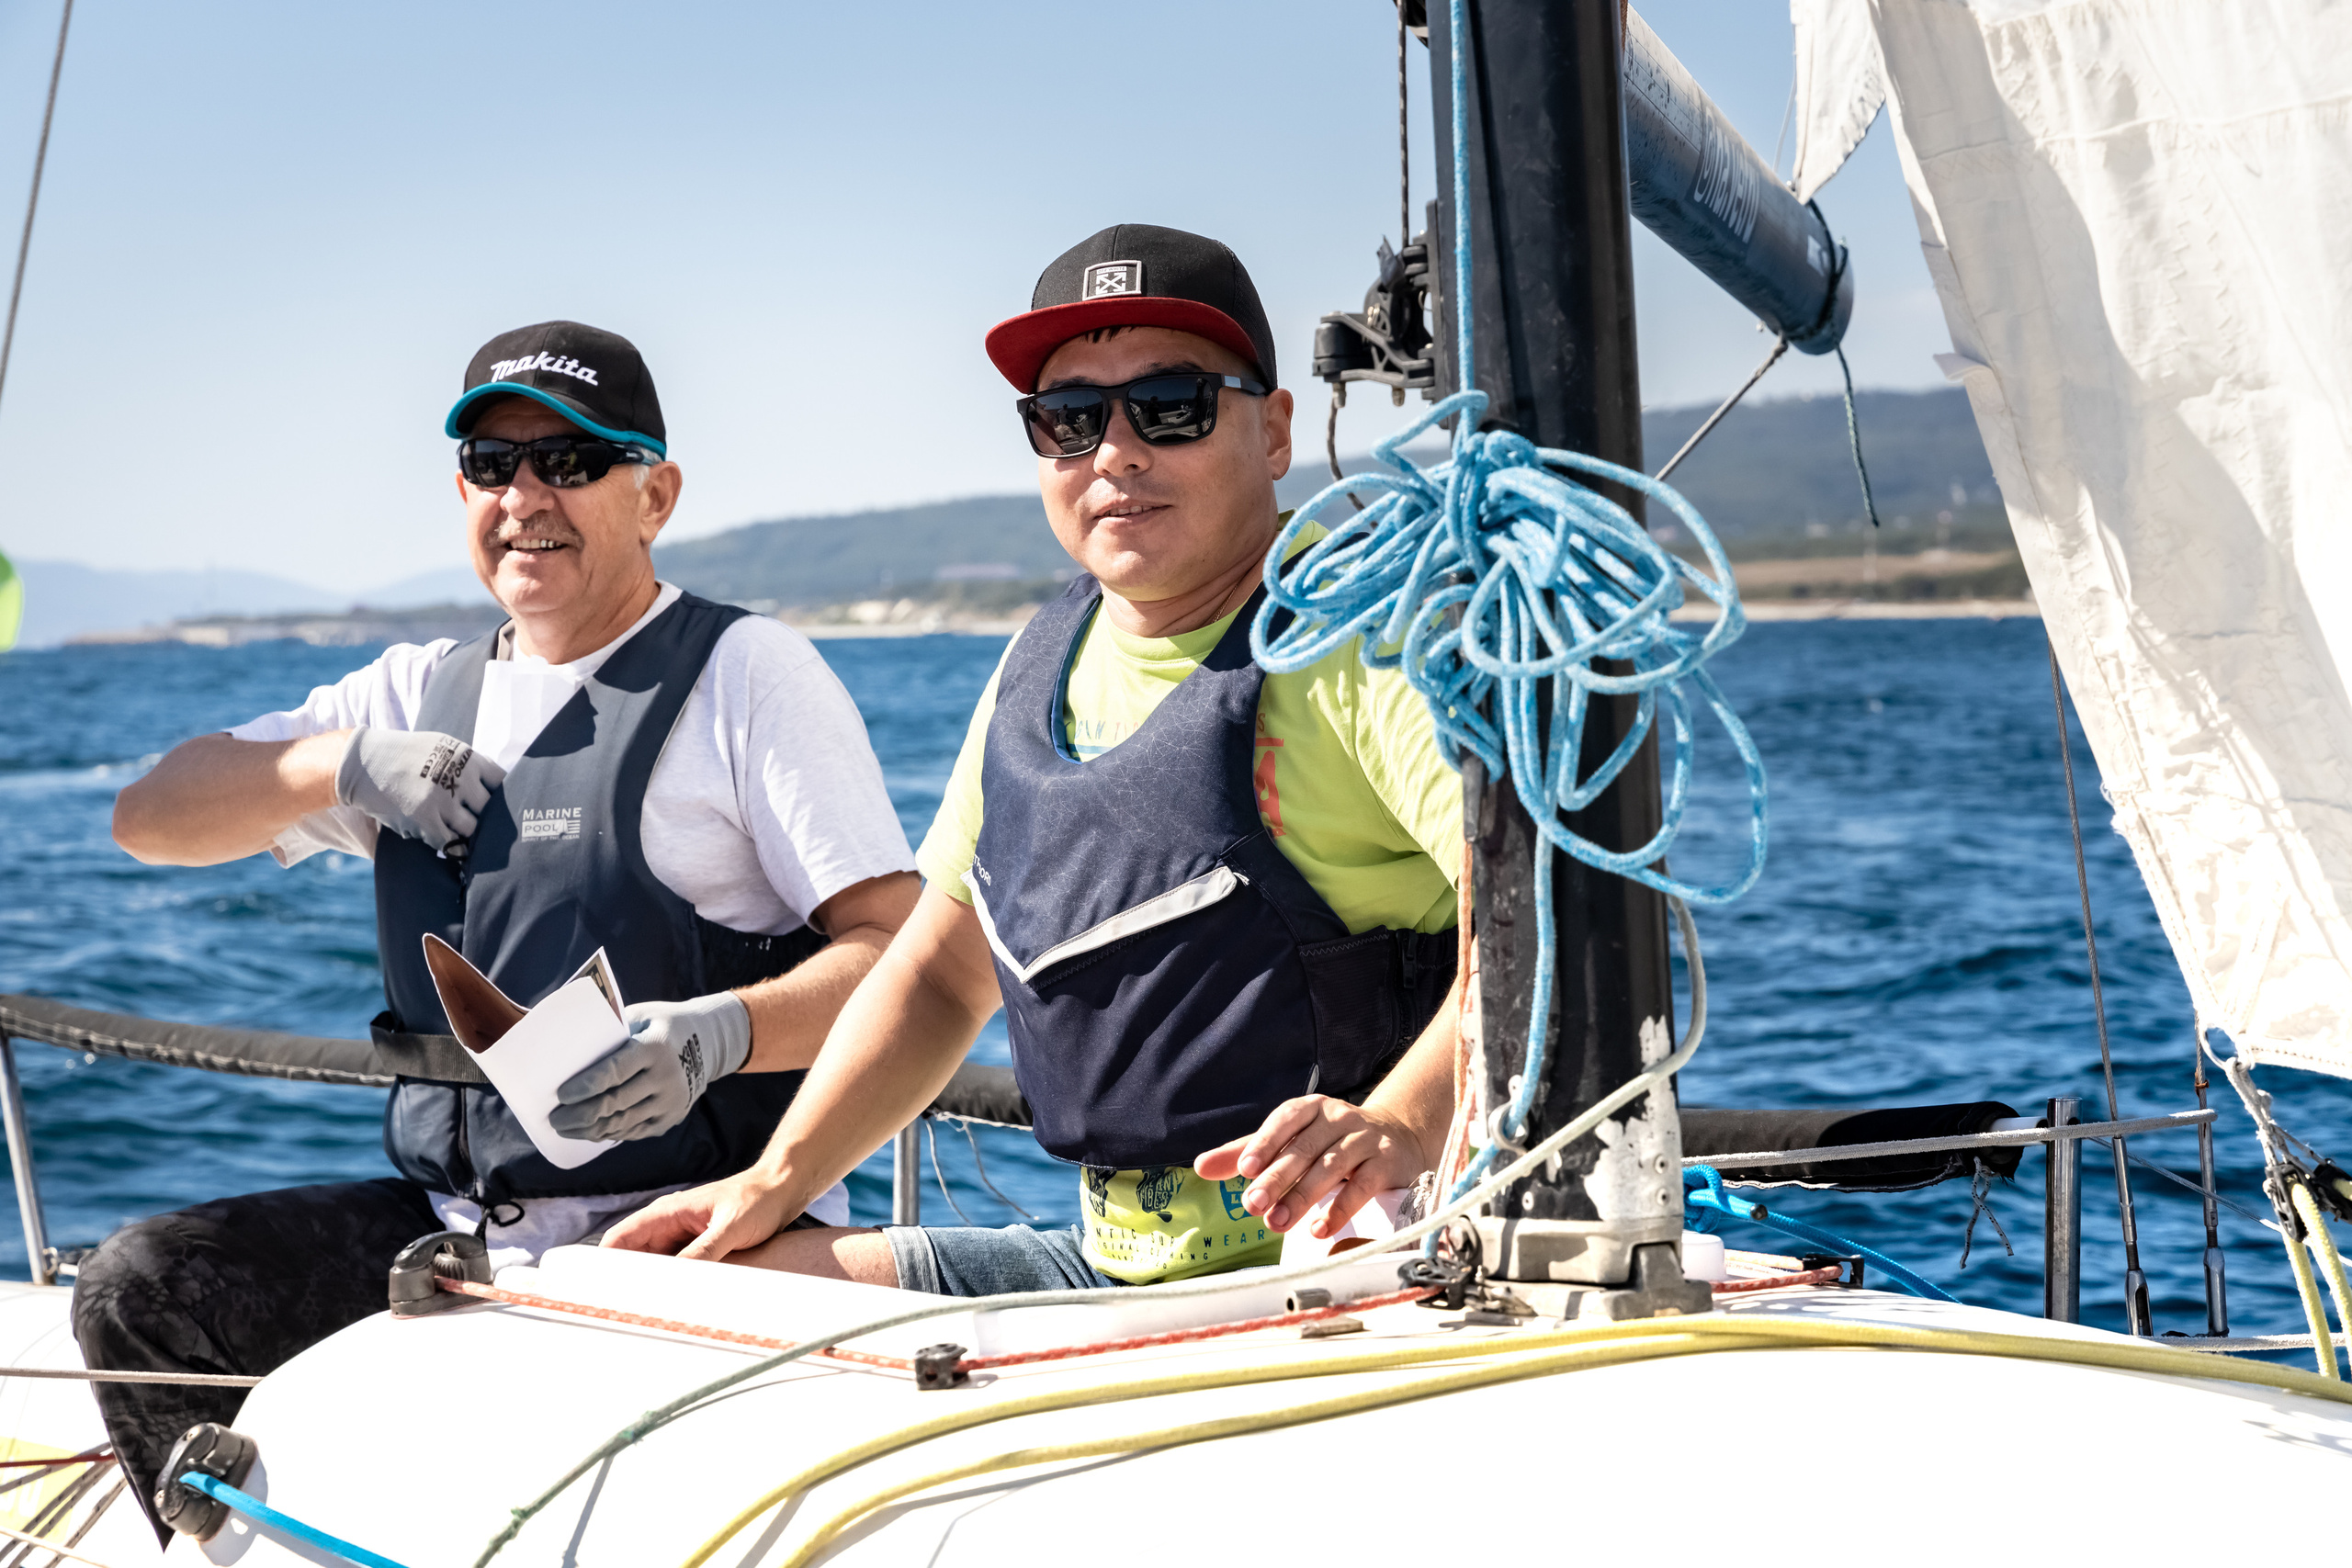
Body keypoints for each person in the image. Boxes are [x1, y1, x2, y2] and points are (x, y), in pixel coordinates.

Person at [79, 321, 920, 1533]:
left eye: (570, 460)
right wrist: (340, 761)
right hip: (455, 1233)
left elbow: (900, 954)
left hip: (695, 1232)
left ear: (656, 492)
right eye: (490, 462)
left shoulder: (749, 675)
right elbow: (148, 818)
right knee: (139, 1292)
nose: (525, 495)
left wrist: (715, 1035)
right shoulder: (408, 694)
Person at [608, 226, 1464, 1294]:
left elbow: (1552, 929)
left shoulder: (1355, 640)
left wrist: (1398, 1121)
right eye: (1069, 420)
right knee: (695, 1286)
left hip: (1364, 1269)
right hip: (1102, 1271)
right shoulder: (1040, 661)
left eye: (1170, 405)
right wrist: (773, 1180)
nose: (1114, 452)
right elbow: (937, 971)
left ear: (1276, 430)